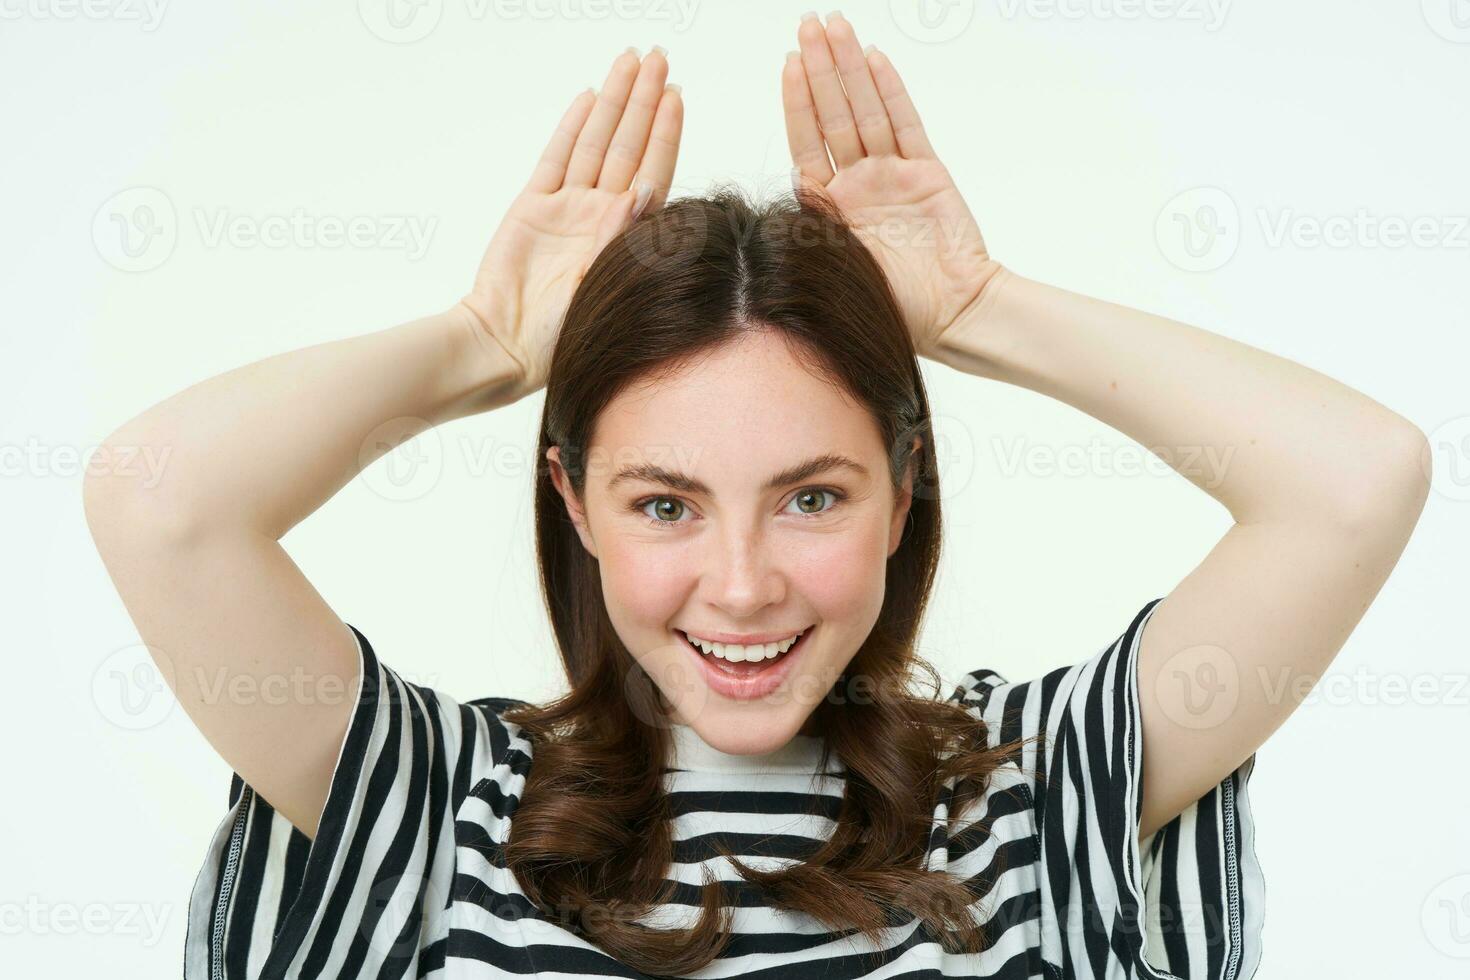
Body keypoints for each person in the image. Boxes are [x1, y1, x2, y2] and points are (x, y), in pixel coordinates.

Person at [83, 12, 1429, 980]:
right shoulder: (433, 808)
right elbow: (161, 503)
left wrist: (976, 307)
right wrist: (483, 341)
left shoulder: (1038, 800)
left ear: (904, 493)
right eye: (665, 504)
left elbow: (1351, 482)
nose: (739, 585)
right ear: (574, 502)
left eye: (811, 498)